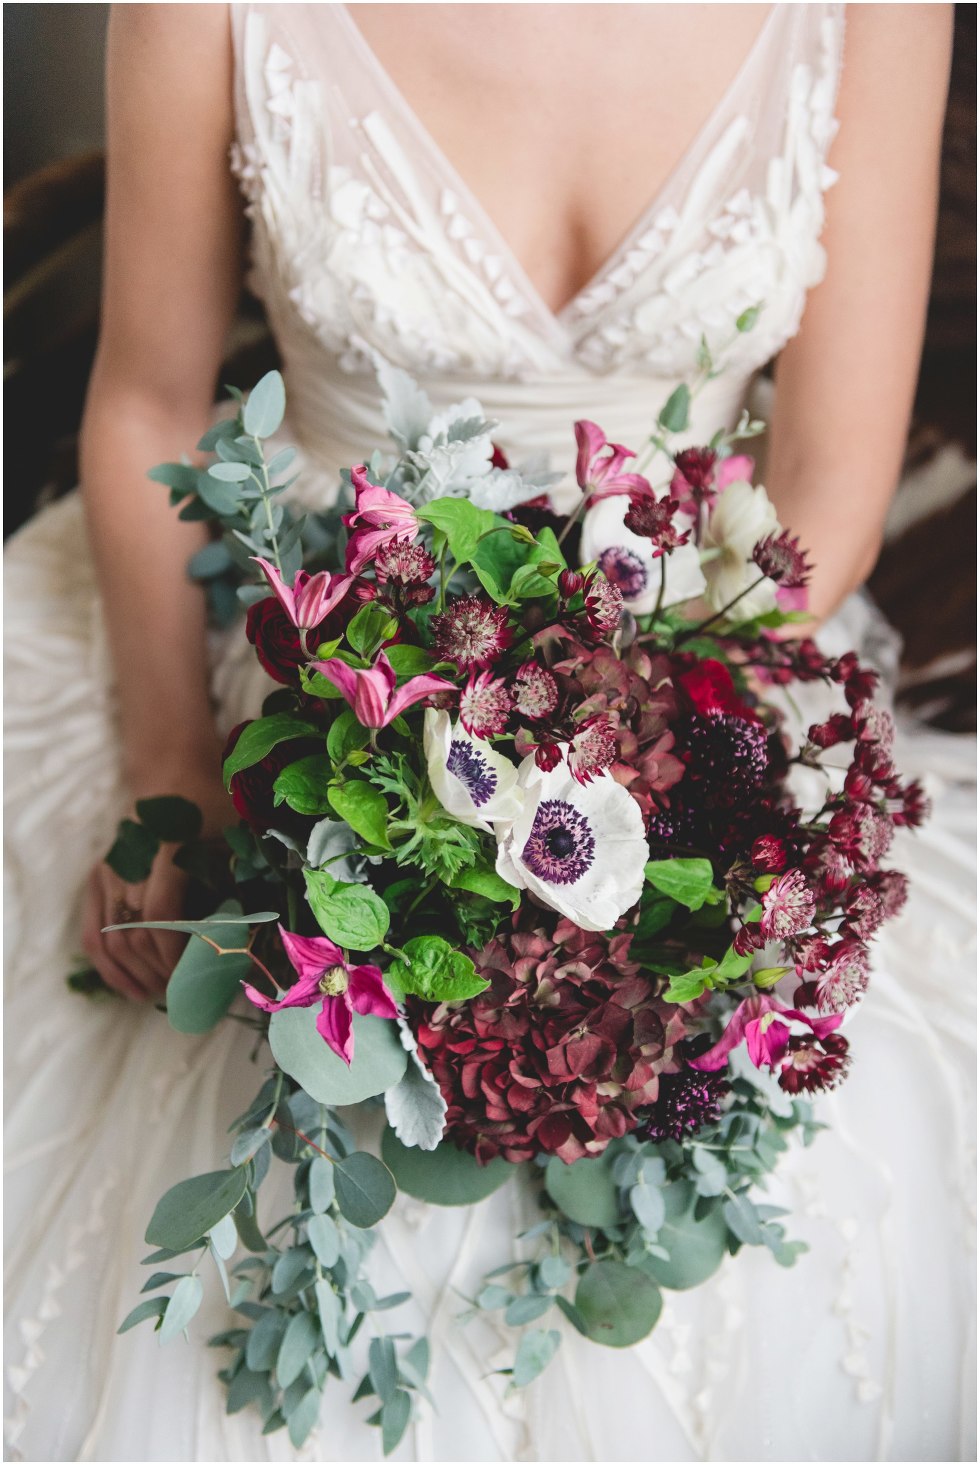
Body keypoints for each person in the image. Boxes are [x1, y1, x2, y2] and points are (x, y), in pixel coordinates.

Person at [4, 4, 974, 1460]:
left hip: (698, 669)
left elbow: (824, 488)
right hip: (303, 653)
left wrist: (617, 761)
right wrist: (171, 772)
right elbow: (151, 400)